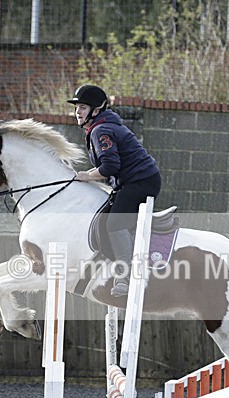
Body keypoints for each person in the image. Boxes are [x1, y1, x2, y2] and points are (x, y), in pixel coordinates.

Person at [67, 84, 162, 297]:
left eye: (83, 107)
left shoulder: (100, 130)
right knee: (104, 220)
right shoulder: (100, 126)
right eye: (77, 107)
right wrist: (88, 174)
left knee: (115, 223)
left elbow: (110, 167)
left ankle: (126, 277)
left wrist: (87, 175)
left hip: (141, 182)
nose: (78, 112)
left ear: (96, 110)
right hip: (133, 181)